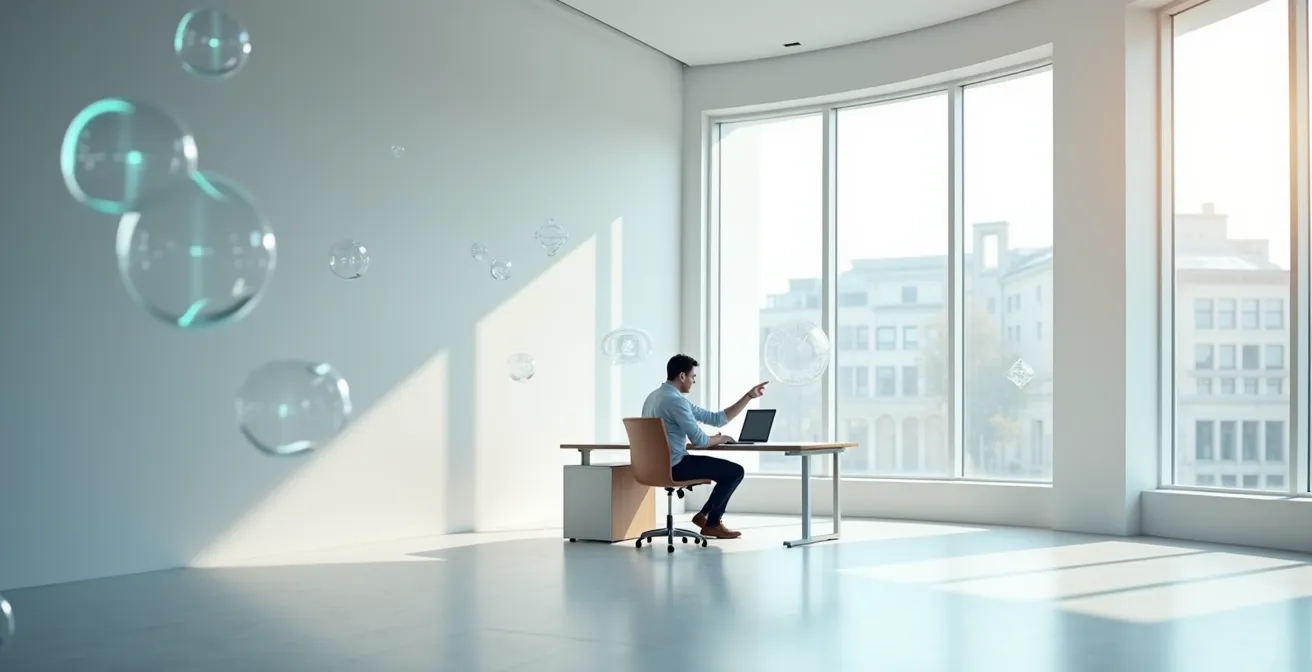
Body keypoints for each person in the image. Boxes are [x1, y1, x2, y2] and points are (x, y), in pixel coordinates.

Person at [641, 354, 767, 539]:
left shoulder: (653, 397)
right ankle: (712, 523)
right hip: (675, 466)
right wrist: (722, 438)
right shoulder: (676, 401)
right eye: (693, 376)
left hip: (651, 467)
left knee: (728, 471)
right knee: (735, 472)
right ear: (682, 376)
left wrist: (748, 396)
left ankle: (704, 516)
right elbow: (700, 441)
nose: (694, 381)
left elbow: (716, 419)